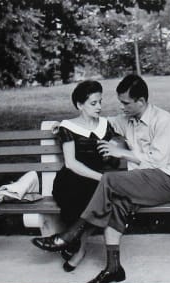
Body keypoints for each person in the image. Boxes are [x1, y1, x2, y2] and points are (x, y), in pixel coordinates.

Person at [32, 74, 170, 283]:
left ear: (141, 102)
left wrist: (120, 153)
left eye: (126, 103)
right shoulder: (126, 119)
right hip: (143, 182)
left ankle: (69, 235)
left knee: (109, 181)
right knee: (116, 203)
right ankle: (114, 268)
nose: (121, 107)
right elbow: (95, 123)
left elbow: (157, 161)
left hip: (168, 180)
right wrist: (63, 125)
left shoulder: (163, 119)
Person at [38, 80, 120, 272]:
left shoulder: (106, 127)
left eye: (100, 102)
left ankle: (75, 245)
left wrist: (111, 154)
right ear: (79, 105)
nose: (99, 107)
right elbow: (71, 163)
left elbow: (115, 160)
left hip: (95, 180)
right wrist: (100, 178)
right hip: (71, 178)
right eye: (93, 103)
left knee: (95, 198)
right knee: (83, 195)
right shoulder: (68, 127)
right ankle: (77, 246)